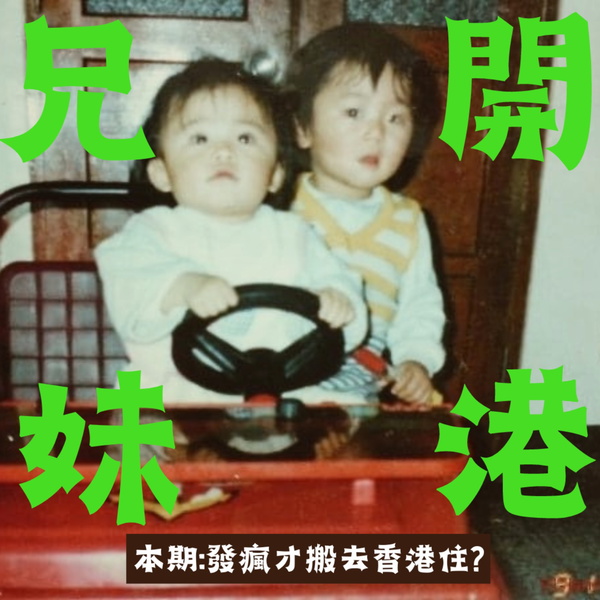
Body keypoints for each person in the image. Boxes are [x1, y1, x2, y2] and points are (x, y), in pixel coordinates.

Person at [95, 58, 367, 405]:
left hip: (284, 390)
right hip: (171, 394)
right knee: (136, 423)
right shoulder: (153, 231)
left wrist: (337, 299)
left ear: (275, 175)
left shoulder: (295, 234)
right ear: (161, 173)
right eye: (200, 138)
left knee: (350, 412)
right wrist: (183, 286)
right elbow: (129, 283)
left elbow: (338, 284)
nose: (223, 151)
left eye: (244, 138)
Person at [286, 23, 446, 406]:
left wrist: (416, 360)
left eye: (395, 118)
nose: (376, 132)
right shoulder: (278, 204)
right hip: (276, 376)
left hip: (355, 394)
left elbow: (420, 308)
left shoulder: (408, 222)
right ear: (303, 128)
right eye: (354, 112)